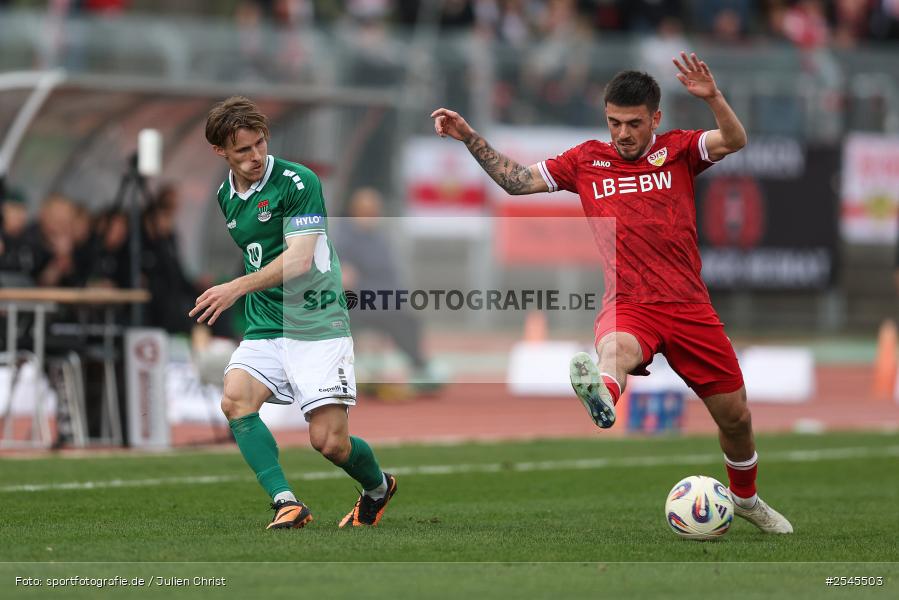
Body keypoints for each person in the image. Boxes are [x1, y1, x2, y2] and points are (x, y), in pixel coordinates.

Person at [431, 53, 793, 534]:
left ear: (655, 120)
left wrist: (714, 98)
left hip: (688, 306)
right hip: (629, 302)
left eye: (633, 124)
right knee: (615, 348)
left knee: (736, 418)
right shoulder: (585, 160)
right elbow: (516, 183)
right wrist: (469, 138)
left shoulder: (680, 150)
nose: (622, 134)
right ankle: (602, 394)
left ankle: (746, 500)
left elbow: (734, 140)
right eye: (614, 123)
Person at [191, 96, 397, 530]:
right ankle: (286, 502)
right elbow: (256, 256)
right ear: (220, 153)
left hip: (316, 322)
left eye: (260, 144)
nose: (254, 156)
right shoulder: (226, 195)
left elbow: (300, 259)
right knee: (235, 400)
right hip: (268, 322)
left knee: (329, 443)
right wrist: (243, 293)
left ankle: (377, 487)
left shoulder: (297, 181)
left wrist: (236, 288)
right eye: (243, 150)